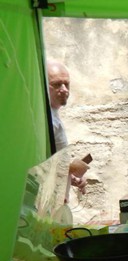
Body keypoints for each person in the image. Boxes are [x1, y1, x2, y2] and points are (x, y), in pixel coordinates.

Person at [47, 59, 89, 192]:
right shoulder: (45, 119)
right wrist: (69, 169)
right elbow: (39, 164)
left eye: (66, 84)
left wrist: (70, 177)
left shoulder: (53, 115)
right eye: (57, 84)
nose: (64, 89)